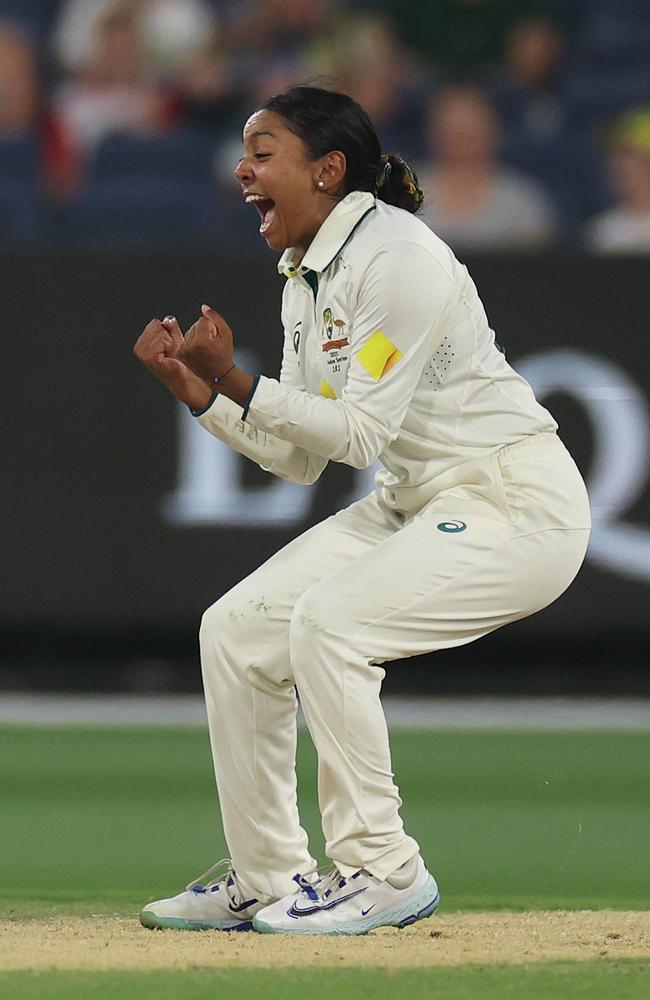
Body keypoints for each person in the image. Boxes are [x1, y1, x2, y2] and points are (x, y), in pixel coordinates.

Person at [133, 86, 591, 936]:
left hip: (513, 503)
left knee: (330, 625)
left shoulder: (399, 256)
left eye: (264, 153)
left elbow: (358, 431)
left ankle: (385, 870)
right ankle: (270, 876)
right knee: (236, 630)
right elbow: (300, 456)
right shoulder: (306, 272)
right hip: (417, 501)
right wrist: (201, 395)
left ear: (328, 168)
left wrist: (238, 378)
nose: (243, 170)